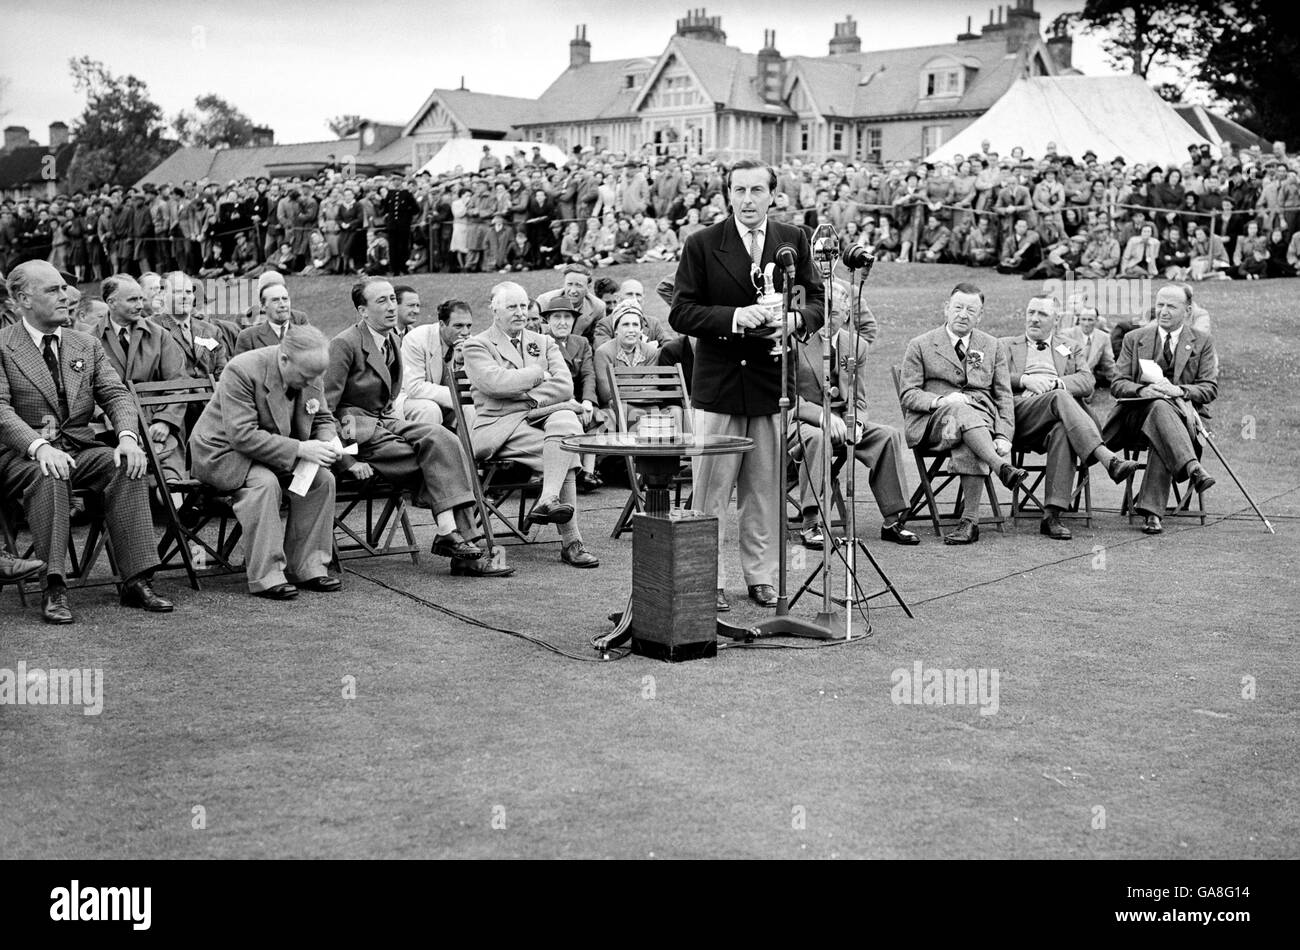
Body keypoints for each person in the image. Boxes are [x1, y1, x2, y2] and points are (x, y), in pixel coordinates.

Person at [669, 159, 824, 611]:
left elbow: (813, 299)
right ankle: (708, 579)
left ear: (773, 195)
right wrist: (735, 318)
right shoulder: (701, 244)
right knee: (711, 492)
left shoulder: (792, 240)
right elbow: (681, 312)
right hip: (718, 385)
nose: (748, 199)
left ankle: (762, 578)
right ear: (728, 194)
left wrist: (796, 319)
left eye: (757, 190)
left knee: (765, 489)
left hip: (769, 382)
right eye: (739, 190)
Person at [0, 261, 174, 623]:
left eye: (64, 289)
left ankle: (136, 580)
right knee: (49, 474)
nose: (66, 297)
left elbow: (116, 394)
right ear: (23, 300)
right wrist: (40, 447)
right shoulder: (3, 346)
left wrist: (127, 437)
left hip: (79, 448)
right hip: (22, 454)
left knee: (126, 464)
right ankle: (53, 585)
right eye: (53, 290)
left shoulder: (85, 343)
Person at [326, 277, 507, 576]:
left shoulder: (393, 338)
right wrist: (346, 460)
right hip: (355, 430)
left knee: (445, 440)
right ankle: (457, 541)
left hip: (385, 421)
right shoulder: (344, 344)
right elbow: (324, 409)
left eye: (392, 300)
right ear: (362, 310)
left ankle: (454, 539)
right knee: (434, 459)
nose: (391, 307)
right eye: (381, 301)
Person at [189, 326, 342, 599]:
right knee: (265, 483)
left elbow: (323, 419)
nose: (312, 383)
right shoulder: (242, 370)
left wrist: (327, 443)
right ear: (284, 359)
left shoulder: (311, 371)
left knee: (322, 481)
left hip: (276, 451)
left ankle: (308, 566)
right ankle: (267, 575)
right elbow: (242, 436)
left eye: (316, 377)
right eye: (306, 377)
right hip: (223, 452)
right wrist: (301, 448)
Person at [460, 281, 599, 568]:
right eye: (512, 306)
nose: (521, 312)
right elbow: (495, 383)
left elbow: (564, 386)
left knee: (565, 418)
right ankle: (571, 542)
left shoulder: (543, 340)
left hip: (536, 420)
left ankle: (547, 498)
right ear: (494, 309)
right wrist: (537, 373)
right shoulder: (476, 345)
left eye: (524, 306)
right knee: (567, 450)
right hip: (498, 428)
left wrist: (525, 396)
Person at [998, 296, 1140, 540]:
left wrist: (1056, 382)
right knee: (1060, 397)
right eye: (1031, 312)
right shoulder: (1004, 345)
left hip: (1059, 419)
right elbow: (992, 378)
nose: (1034, 318)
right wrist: (1024, 380)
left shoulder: (1071, 346)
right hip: (1020, 415)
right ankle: (1106, 458)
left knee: (1063, 429)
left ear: (1056, 320)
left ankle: (1052, 515)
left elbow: (1087, 381)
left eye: (1042, 314)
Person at [790, 280, 918, 550]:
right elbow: (789, 400)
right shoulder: (795, 340)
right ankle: (811, 521)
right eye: (822, 311)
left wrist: (856, 422)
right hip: (801, 421)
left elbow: (858, 398)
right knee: (816, 438)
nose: (826, 319)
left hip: (843, 421)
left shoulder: (856, 345)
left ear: (847, 315)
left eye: (834, 313)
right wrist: (824, 418)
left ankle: (893, 520)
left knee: (887, 436)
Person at [897, 283, 1026, 545]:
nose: (963, 314)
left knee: (968, 431)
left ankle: (970, 524)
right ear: (946, 309)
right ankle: (1000, 467)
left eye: (971, 310)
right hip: (934, 425)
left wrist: (1004, 435)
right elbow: (908, 394)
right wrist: (942, 400)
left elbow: (1003, 395)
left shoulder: (991, 345)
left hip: (978, 424)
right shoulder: (920, 344)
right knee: (958, 409)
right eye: (958, 307)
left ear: (980, 316)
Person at [1102, 283, 1218, 535]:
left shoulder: (1202, 342)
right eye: (1160, 305)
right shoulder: (1135, 338)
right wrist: (1142, 391)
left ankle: (1152, 514)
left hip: (1185, 420)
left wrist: (1181, 391)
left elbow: (1209, 388)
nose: (1163, 311)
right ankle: (1192, 468)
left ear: (1187, 311)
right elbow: (1117, 384)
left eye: (1171, 306)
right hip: (1134, 419)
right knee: (1157, 407)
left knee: (1161, 420)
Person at [82, 274, 188, 482]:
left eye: (141, 298)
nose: (140, 305)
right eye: (132, 300)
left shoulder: (159, 335)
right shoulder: (89, 340)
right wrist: (103, 415)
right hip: (109, 427)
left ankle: (179, 509)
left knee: (170, 480)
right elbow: (82, 388)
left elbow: (178, 383)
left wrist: (165, 421)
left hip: (156, 424)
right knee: (122, 474)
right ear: (110, 302)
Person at [542, 296, 604, 493]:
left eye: (567, 317)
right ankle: (569, 471)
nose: (562, 322)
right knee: (570, 419)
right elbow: (547, 381)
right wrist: (569, 401)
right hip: (555, 399)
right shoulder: (541, 342)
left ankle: (588, 471)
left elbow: (588, 374)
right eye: (557, 317)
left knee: (595, 416)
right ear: (548, 321)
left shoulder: (581, 342)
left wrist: (587, 400)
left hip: (578, 397)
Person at [234, 282, 296, 354]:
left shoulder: (305, 334)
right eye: (275, 300)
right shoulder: (248, 337)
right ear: (263, 306)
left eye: (285, 299)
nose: (282, 305)